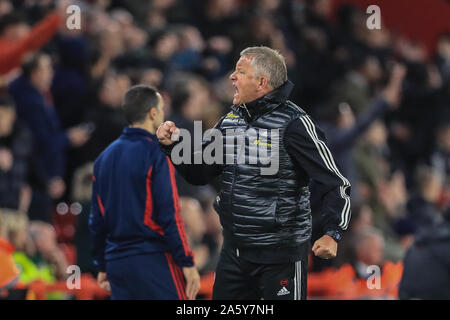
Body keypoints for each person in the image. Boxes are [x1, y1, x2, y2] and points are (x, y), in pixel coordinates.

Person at [157, 46, 351, 300]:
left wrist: (332, 232)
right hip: (234, 254)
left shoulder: (295, 124)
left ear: (261, 82)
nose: (231, 77)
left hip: (280, 256)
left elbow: (335, 182)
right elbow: (201, 172)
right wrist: (173, 147)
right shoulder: (231, 121)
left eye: (240, 71)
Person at [89, 85, 200, 300]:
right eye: (161, 109)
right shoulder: (156, 152)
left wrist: (102, 264)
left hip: (116, 262)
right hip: (152, 260)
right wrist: (186, 261)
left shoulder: (103, 158)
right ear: (153, 113)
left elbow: (96, 220)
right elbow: (170, 214)